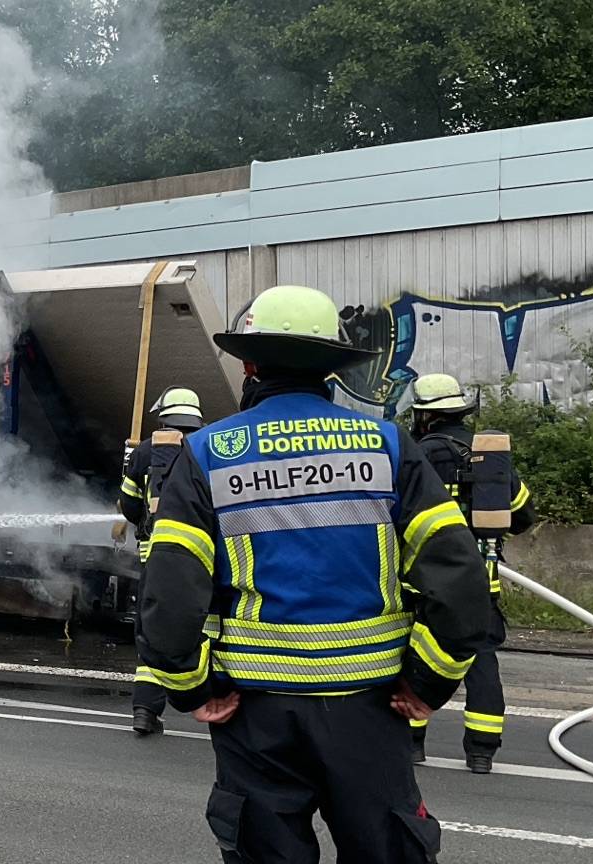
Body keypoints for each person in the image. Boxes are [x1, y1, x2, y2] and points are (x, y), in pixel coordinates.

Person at [136, 285, 493, 863]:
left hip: (253, 713)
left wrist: (188, 687)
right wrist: (429, 683)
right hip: (371, 708)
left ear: (250, 364)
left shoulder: (205, 455)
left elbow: (170, 593)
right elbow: (459, 581)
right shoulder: (390, 448)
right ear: (332, 366)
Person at [406, 373, 536, 774]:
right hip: (481, 582)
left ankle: (411, 743)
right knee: (481, 660)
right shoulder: (488, 461)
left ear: (424, 417)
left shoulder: (414, 455)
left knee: (413, 658)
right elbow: (522, 517)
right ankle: (481, 750)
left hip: (421, 584)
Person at [117, 385, 206, 736]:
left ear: (165, 416)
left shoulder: (144, 452)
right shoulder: (205, 448)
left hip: (155, 559)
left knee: (154, 633)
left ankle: (145, 711)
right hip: (201, 562)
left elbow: (129, 506)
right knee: (209, 629)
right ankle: (217, 705)